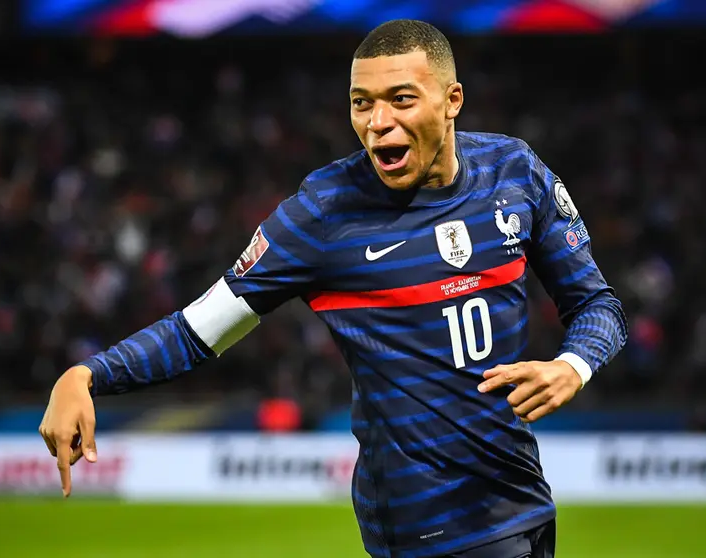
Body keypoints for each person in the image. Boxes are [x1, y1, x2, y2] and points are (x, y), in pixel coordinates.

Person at [39, 19, 627, 558]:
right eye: (361, 104)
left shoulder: (515, 172)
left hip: (523, 504)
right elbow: (198, 332)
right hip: (423, 529)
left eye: (401, 99)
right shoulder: (321, 215)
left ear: (452, 101)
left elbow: (598, 305)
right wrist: (86, 374)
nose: (378, 123)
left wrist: (572, 366)